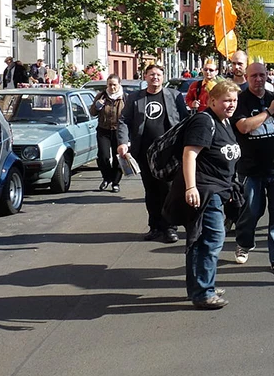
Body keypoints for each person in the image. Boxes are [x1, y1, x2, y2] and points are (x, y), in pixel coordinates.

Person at [164, 80, 243, 309]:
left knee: (200, 240)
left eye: (234, 100)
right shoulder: (204, 121)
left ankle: (201, 285)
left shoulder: (224, 121)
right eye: (226, 100)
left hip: (217, 189)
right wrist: (191, 188)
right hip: (205, 191)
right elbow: (190, 155)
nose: (231, 104)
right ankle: (203, 292)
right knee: (212, 239)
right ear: (212, 101)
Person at [231, 63, 274, 273]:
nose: (258, 79)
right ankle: (244, 243)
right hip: (251, 169)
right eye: (254, 76)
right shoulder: (240, 101)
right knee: (251, 211)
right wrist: (269, 112)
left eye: (262, 75)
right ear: (247, 78)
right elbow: (244, 126)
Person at [117, 63, 188, 242]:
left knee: (168, 189)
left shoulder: (174, 96)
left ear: (163, 77)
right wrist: (123, 142)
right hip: (145, 153)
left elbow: (186, 120)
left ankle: (170, 228)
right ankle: (155, 226)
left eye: (158, 74)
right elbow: (124, 120)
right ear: (145, 77)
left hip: (168, 152)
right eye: (151, 74)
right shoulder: (134, 98)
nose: (155, 77)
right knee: (151, 191)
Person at [90, 74, 126, 193]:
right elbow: (92, 113)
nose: (112, 87)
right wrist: (97, 106)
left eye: (114, 85)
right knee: (103, 156)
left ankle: (115, 182)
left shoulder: (125, 97)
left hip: (119, 131)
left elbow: (130, 116)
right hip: (103, 130)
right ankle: (106, 178)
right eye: (109, 85)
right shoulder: (101, 96)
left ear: (119, 85)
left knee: (119, 158)